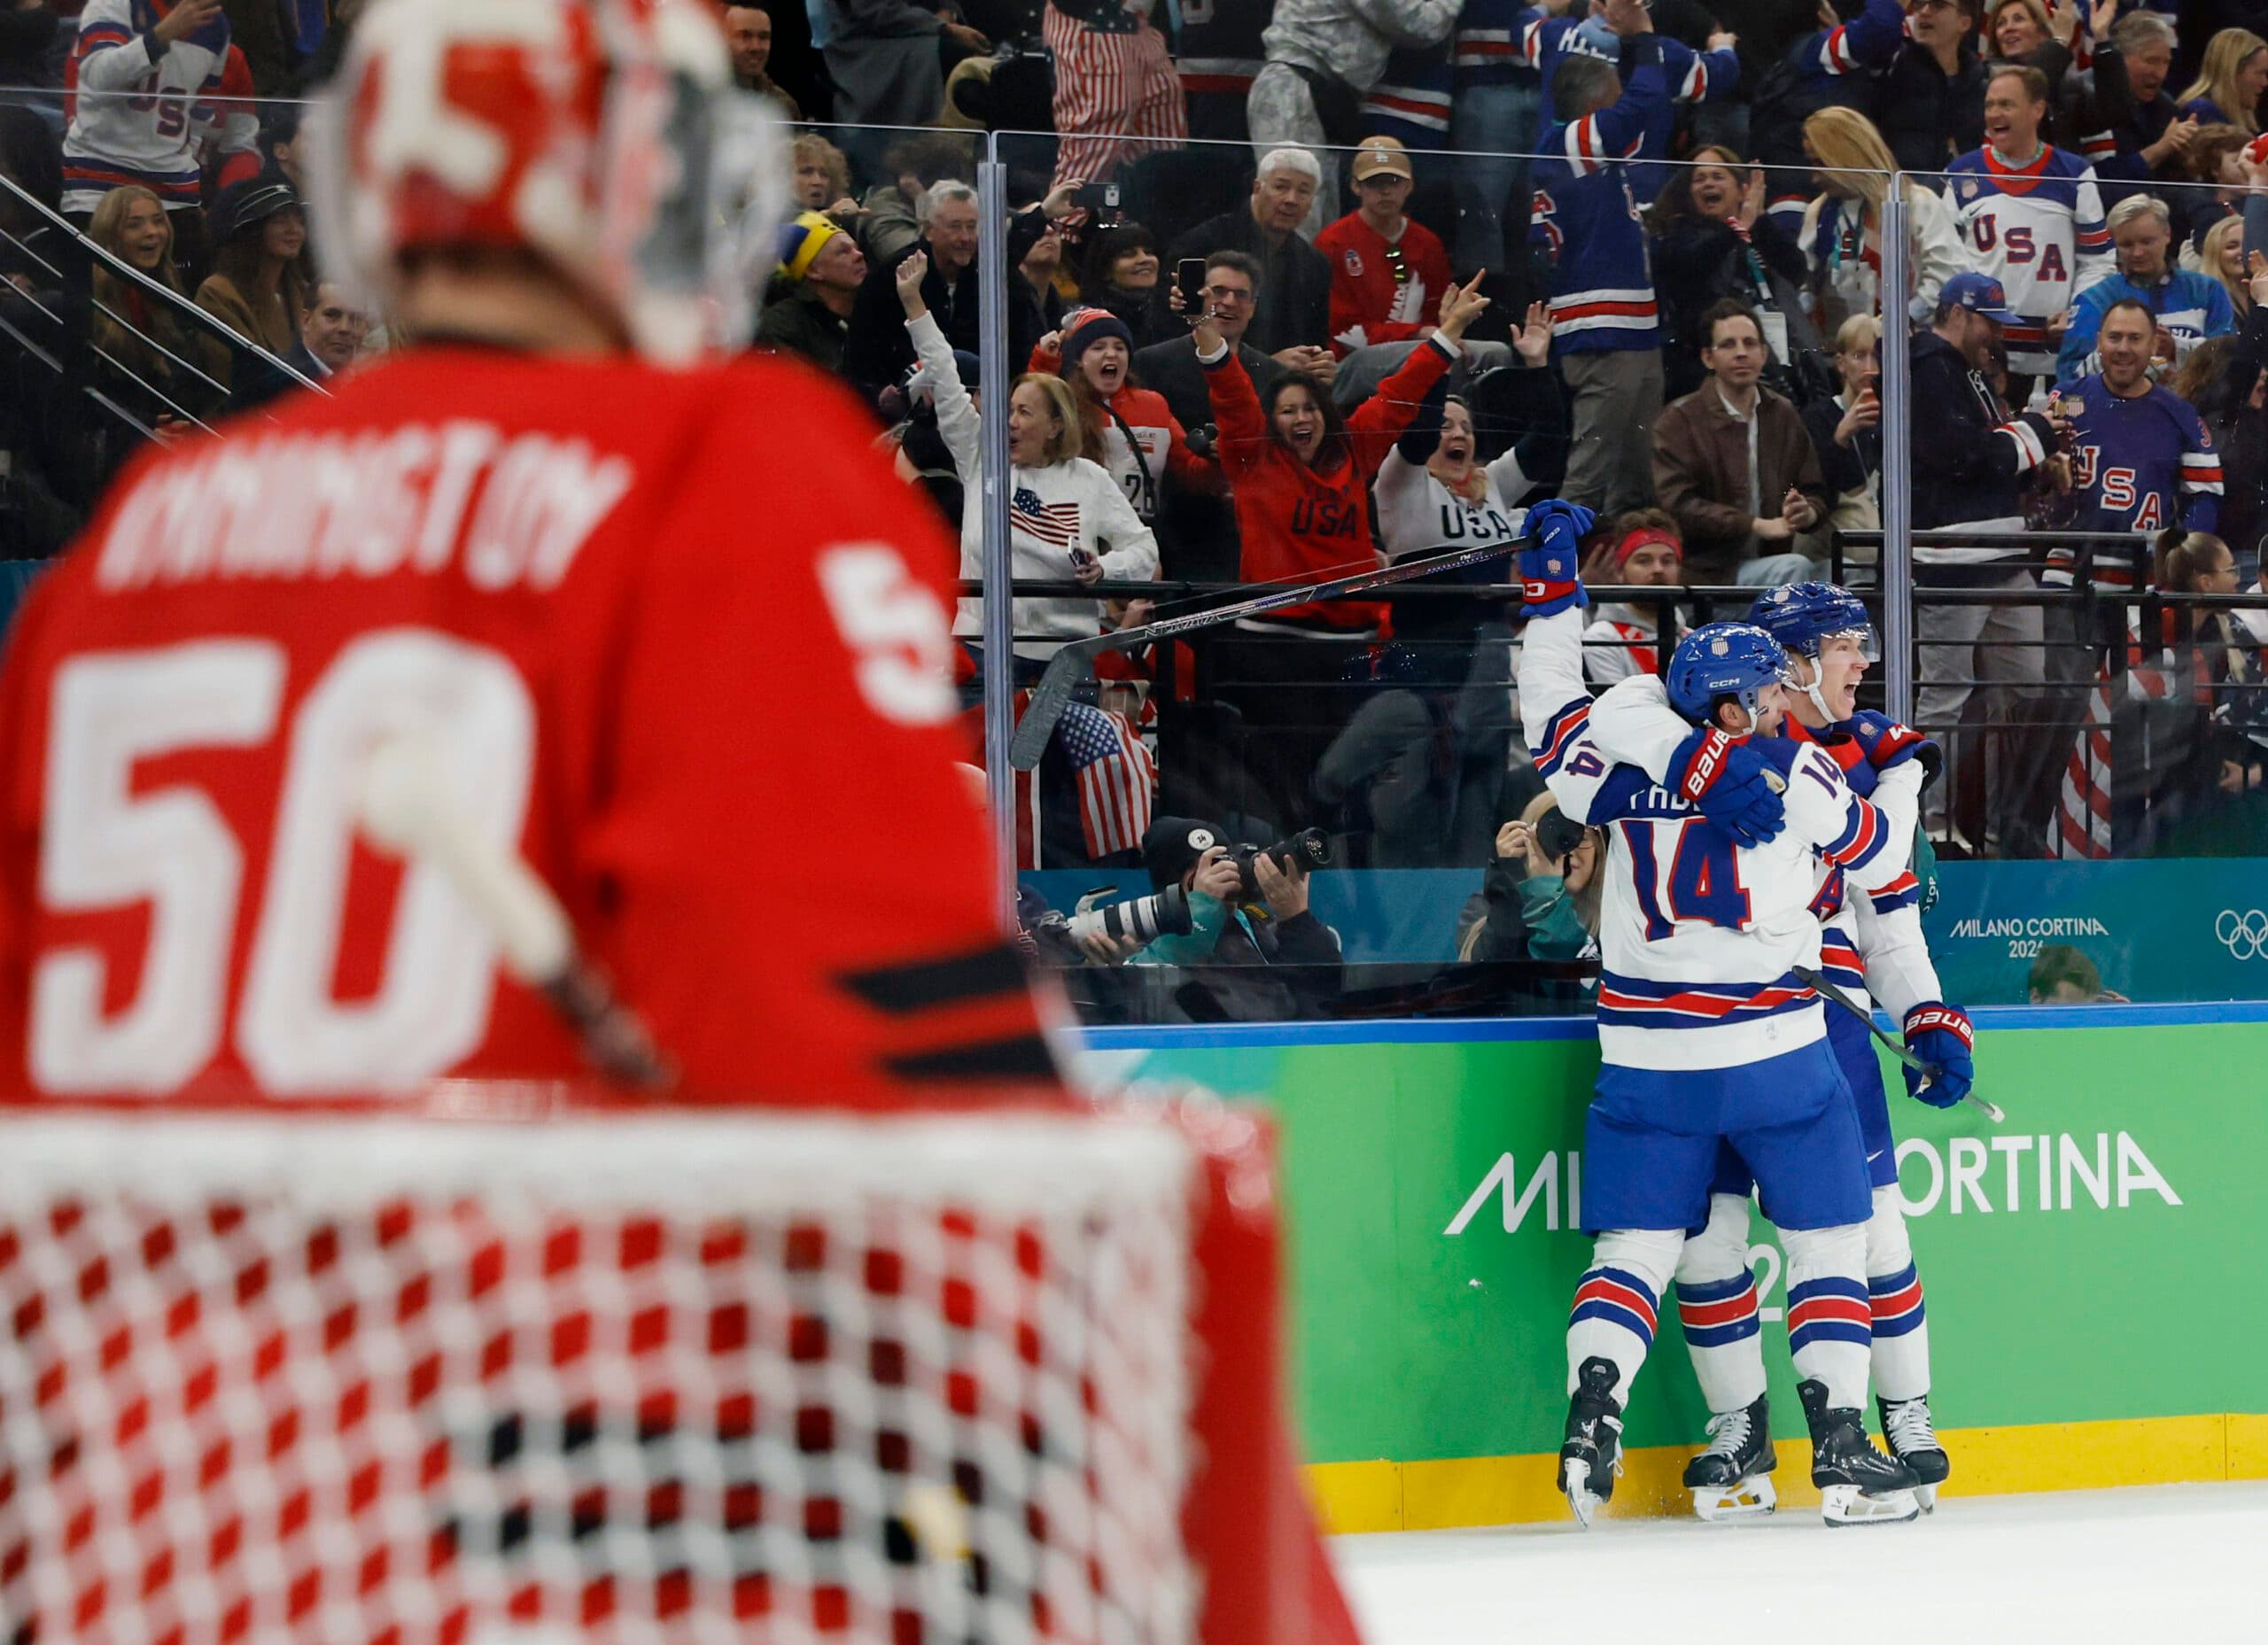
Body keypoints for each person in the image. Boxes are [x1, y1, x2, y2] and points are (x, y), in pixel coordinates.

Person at [1513, 510, 1945, 1529]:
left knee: (1635, 1253)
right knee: (1831, 1242)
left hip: (1644, 1058)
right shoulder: (1803, 777)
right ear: (1759, 694)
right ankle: (1840, 1452)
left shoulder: (1619, 776)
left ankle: (1590, 1419)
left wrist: (1551, 602)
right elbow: (1881, 865)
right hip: (1776, 1050)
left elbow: (1552, 719)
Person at [1195, 271, 1489, 828]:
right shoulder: (1251, 457)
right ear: (1270, 421)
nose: (1300, 419)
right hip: (1272, 653)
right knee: (1288, 793)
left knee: (1341, 791)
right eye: (1286, 410)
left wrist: (1450, 328)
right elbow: (1231, 393)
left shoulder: (1352, 450)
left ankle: (1338, 885)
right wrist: (1204, 332)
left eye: (1308, 408)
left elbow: (1399, 393)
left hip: (1350, 653)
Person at [897, 249, 1160, 666]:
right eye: (1008, 410)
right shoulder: (982, 458)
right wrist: (914, 302)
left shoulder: (1088, 478)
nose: (1010, 422)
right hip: (982, 649)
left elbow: (1144, 549)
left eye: (1024, 412)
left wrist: (1104, 569)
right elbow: (946, 378)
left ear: (1056, 424)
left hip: (1066, 655)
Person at [1907, 271, 2062, 848]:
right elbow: (1964, 455)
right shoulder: (1927, 368)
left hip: (2005, 557)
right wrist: (2036, 431)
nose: (1995, 335)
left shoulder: (1966, 371)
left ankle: (2003, 827)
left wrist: (2025, 437)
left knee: (2024, 689)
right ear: (1958, 313)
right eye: (1989, 322)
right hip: (1953, 559)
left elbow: (1988, 452)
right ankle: (1931, 830)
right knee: (1944, 696)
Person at [1530, 0, 1670, 517]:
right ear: (1591, 106)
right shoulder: (1563, 142)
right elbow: (1646, 103)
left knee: (1635, 486)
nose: (1620, 109)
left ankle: (1618, 586)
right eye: (1611, 100)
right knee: (1586, 484)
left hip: (1627, 327)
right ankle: (1544, 588)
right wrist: (1644, 36)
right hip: (1603, 331)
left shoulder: (1593, 160)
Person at [1943, 64, 2115, 398]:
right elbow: (1948, 261)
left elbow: (2098, 262)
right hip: (1984, 352)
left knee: (2063, 438)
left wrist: (2078, 313)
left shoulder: (2075, 174)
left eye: (2006, 104)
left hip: (2059, 356)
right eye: (1990, 105)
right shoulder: (1962, 173)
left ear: (2037, 110)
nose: (1994, 114)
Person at [59, 0, 260, 272]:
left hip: (174, 190)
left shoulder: (216, 24)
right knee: (99, 304)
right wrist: (162, 35)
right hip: (98, 185)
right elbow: (98, 82)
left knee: (181, 303)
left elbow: (202, 109)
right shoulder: (112, 4)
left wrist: (192, 164)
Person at [1651, 299, 1832, 586]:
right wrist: (1753, 525)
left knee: (1840, 573)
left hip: (1769, 562)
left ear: (1763, 353)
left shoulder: (1782, 413)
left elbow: (1811, 489)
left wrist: (1805, 511)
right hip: (1706, 573)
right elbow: (1679, 504)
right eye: (1728, 345)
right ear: (1708, 358)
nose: (1741, 353)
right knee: (1794, 569)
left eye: (1749, 344)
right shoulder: (1679, 420)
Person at [1246, 0, 1461, 238]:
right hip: (1295, 85)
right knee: (1292, 216)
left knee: (1316, 226)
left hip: (1318, 91)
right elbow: (1419, 24)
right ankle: (1278, 276)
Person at [2054, 297, 2224, 587]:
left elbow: (2204, 493)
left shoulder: (2179, 413)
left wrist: (2179, 557)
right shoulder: (2068, 400)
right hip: (2068, 571)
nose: (2123, 349)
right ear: (2099, 342)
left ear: (2154, 345)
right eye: (2114, 337)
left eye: (2135, 338)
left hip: (2146, 579)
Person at [1124, 817, 1346, 1019]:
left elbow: (1322, 1000)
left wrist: (1297, 921)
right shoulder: (1145, 939)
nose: (1222, 876)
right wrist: (1202, 912)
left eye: (1224, 863)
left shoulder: (1261, 931)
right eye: (1205, 870)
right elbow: (1137, 1000)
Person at [1028, 304, 1223, 532]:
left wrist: (1218, 457)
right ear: (1079, 361)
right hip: (1079, 537)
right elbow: (1029, 431)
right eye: (1098, 347)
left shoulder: (1154, 405)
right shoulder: (1064, 405)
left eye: (1120, 348)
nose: (1111, 353)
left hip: (1140, 539)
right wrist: (1043, 365)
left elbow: (1192, 472)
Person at [1649, 146, 1815, 402]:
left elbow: (1795, 270)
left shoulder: (1759, 230)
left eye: (1718, 176)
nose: (1708, 184)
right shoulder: (1678, 236)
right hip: (1704, 370)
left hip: (1775, 361)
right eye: (1699, 179)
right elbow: (1692, 265)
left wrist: (1758, 219)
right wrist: (1738, 228)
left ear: (1742, 190)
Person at [1798, 105, 1963, 335]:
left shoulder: (1915, 203)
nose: (1814, 178)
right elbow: (1806, 286)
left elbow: (1950, 277)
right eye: (1811, 163)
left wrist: (1896, 324)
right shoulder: (1819, 212)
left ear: (1847, 156)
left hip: (1910, 347)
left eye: (1821, 163)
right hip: (1841, 355)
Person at [1166, 149, 1336, 363]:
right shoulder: (1202, 244)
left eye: (1303, 191)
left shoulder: (1315, 264)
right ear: (1257, 188)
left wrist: (1318, 363)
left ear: (1313, 202)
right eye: (1280, 187)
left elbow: (1315, 339)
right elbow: (1173, 336)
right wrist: (1267, 367)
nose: (1291, 200)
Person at [83, 182, 224, 438]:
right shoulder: (88, 303)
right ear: (109, 235)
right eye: (134, 225)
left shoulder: (170, 292)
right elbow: (90, 399)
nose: (152, 232)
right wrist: (144, 429)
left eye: (158, 221)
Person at [2058, 193, 2237, 381]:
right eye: (2126, 245)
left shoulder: (2206, 290)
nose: (2137, 252)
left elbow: (2227, 355)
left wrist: (2176, 347)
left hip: (2192, 406)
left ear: (2167, 234)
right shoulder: (2095, 299)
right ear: (2114, 244)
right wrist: (2125, 352)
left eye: (2146, 241)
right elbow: (2070, 376)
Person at [1316, 136, 1453, 358]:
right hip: (1353, 360)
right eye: (1375, 182)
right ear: (1355, 186)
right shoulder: (1332, 242)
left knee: (1491, 353)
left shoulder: (1427, 243)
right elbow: (1342, 331)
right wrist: (1414, 333)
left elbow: (1440, 314)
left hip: (1423, 355)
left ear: (1409, 186)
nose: (1385, 191)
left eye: (1393, 181)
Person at [1043, 0, 1186, 188]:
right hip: (1092, 25)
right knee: (1097, 141)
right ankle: (1063, 216)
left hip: (1141, 24)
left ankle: (1154, 214)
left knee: (1163, 147)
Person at [192, 175, 308, 366]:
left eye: (299, 221)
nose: (294, 229)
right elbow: (234, 369)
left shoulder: (301, 289)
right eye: (280, 220)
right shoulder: (217, 293)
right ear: (253, 230)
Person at [1802, 312, 1885, 545]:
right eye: (1859, 356)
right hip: (1833, 547)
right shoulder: (1818, 417)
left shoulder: (1894, 421)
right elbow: (1815, 491)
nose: (1870, 368)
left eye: (1876, 356)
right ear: (1841, 363)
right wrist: (1840, 437)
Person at [754, 210, 868, 373]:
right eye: (843, 251)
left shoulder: (873, 306)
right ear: (813, 270)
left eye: (855, 248)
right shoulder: (783, 327)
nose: (859, 255)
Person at [1580, 510, 1686, 685]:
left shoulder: (1690, 638)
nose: (1658, 569)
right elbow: (1621, 708)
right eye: (1644, 561)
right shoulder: (1602, 637)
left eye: (1667, 561)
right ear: (1620, 571)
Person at [1080, 221, 1174, 349]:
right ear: (1105, 271)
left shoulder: (1170, 311)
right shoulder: (1090, 320)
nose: (1144, 259)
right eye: (1128, 255)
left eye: (1148, 252)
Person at [2176, 27, 2268, 136]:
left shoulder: (2239, 118)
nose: (2265, 83)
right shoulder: (2202, 112)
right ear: (2232, 72)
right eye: (2259, 73)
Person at [723, 3, 803, 117]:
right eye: (745, 36)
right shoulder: (702, 99)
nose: (755, 47)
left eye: (763, 37)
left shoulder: (782, 105)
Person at [282, 280, 369, 382]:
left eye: (355, 319)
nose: (344, 328)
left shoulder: (369, 385)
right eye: (331, 315)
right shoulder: (277, 379)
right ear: (306, 321)